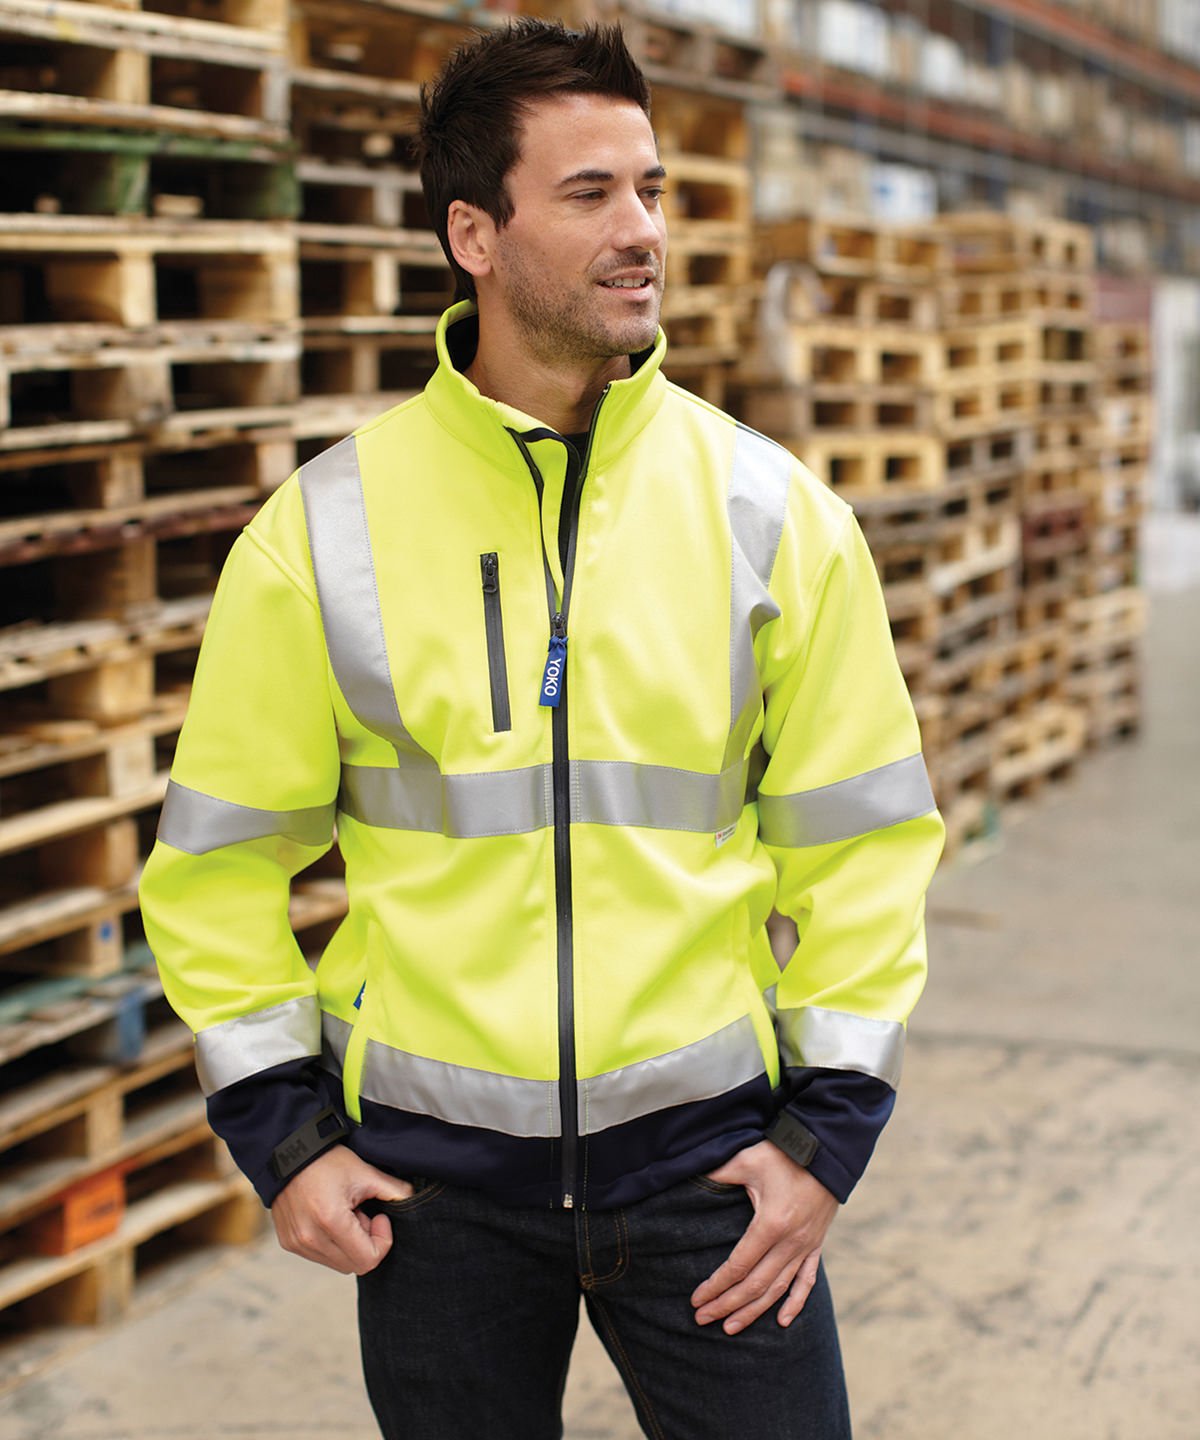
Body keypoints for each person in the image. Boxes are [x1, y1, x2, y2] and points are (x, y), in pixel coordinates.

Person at [139, 19, 945, 1439]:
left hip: (712, 1180)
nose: (642, 231)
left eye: (650, 189)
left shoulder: (773, 519)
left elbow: (867, 843)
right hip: (432, 1202)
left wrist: (824, 1140)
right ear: (475, 234)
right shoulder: (323, 536)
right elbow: (217, 867)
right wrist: (284, 1140)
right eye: (590, 194)